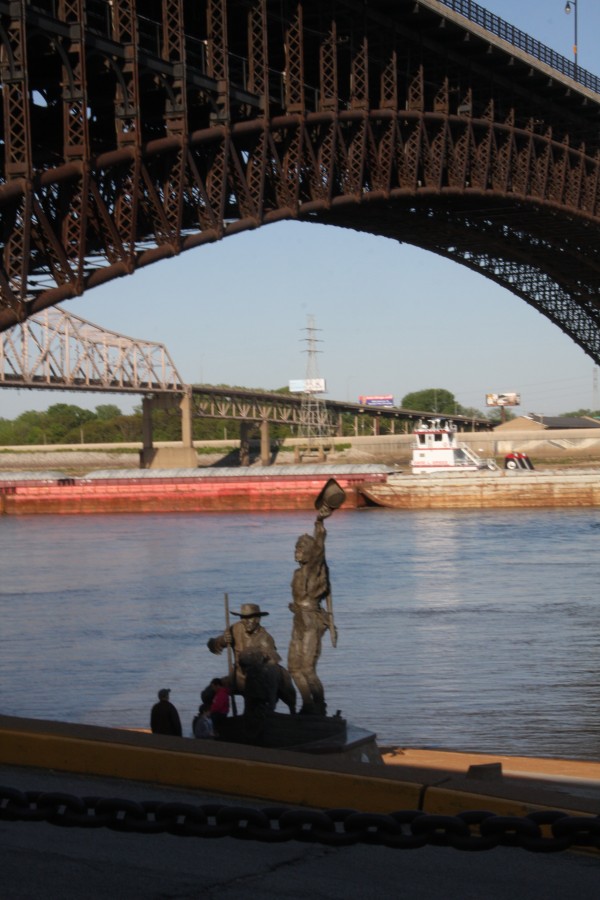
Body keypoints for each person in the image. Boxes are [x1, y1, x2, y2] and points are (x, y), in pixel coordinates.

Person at [287, 505, 336, 716]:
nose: (296, 551)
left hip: (312, 622)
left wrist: (319, 522)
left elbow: (319, 546)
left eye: (300, 548)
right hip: (298, 620)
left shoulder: (315, 568)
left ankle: (320, 706)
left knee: (308, 668)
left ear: (309, 552)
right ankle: (307, 705)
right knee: (294, 669)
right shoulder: (297, 573)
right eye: (295, 548)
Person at [207, 603, 296, 713]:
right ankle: (212, 720)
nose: (246, 621)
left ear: (258, 619)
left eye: (250, 618)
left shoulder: (265, 638)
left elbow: (272, 665)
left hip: (256, 679)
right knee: (207, 694)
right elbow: (213, 646)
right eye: (244, 618)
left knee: (255, 705)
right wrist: (222, 640)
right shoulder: (234, 629)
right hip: (237, 677)